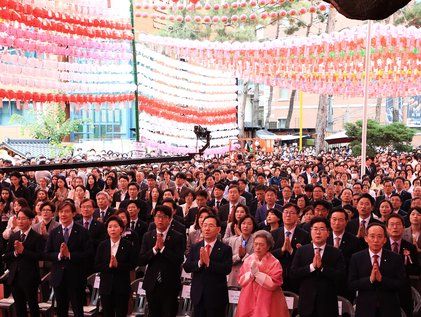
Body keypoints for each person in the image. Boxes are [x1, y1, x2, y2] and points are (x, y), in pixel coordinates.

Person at [44, 201, 93, 317]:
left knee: (77, 310)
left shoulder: (82, 231)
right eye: (61, 212)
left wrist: (70, 254)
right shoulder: (54, 232)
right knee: (61, 310)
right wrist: (60, 255)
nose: (63, 214)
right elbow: (46, 254)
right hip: (58, 277)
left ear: (74, 213)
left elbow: (89, 253)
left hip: (76, 277)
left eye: (66, 211)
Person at [290, 217, 346, 317]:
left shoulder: (336, 252)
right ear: (310, 232)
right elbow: (293, 273)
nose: (318, 232)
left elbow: (341, 276)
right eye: (315, 229)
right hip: (306, 303)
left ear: (328, 233)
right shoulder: (302, 251)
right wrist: (311, 267)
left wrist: (322, 268)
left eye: (322, 229)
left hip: (328, 304)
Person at [349, 223, 406, 317]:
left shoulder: (395, 258)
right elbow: (351, 284)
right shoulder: (357, 258)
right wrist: (370, 280)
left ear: (384, 240)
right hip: (365, 309)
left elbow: (401, 284)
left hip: (389, 308)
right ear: (366, 238)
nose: (376, 240)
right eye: (372, 236)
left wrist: (382, 279)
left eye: (379, 237)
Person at [139, 205, 185, 317]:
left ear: (169, 219)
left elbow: (178, 260)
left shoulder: (178, 236)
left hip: (170, 284)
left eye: (164, 217)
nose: (160, 220)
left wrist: (163, 249)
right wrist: (155, 249)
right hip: (152, 284)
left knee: (169, 313)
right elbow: (141, 260)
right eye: (158, 216)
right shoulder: (148, 235)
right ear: (154, 218)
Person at [184, 215, 233, 317]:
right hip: (198, 296)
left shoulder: (225, 249)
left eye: (211, 226)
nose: (207, 228)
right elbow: (187, 267)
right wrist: (199, 263)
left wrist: (209, 263)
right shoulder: (195, 247)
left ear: (218, 229)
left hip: (216, 297)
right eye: (204, 225)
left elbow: (227, 269)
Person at [235, 230, 289, 317]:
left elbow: (274, 284)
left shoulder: (274, 262)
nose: (258, 247)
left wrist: (258, 274)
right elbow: (241, 280)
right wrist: (250, 275)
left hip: (269, 299)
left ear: (268, 246)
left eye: (261, 244)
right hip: (249, 297)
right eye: (255, 244)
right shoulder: (248, 260)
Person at [4, 208, 44, 317]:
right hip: (15, 277)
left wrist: (23, 251)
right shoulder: (14, 236)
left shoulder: (37, 237)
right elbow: (6, 256)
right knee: (19, 307)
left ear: (30, 220)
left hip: (30, 278)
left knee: (33, 306)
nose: (20, 221)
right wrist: (16, 253)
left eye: (23, 219)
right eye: (18, 219)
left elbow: (40, 256)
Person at [95, 215, 136, 317]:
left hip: (122, 287)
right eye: (110, 227)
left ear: (121, 229)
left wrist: (118, 265)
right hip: (106, 287)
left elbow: (132, 265)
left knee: (121, 313)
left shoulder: (127, 245)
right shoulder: (102, 245)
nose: (112, 229)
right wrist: (108, 266)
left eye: (115, 226)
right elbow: (97, 265)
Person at [385, 214, 420, 317]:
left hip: (403, 290)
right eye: (392, 224)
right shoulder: (381, 246)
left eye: (398, 224)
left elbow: (416, 269)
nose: (395, 227)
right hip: (385, 290)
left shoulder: (410, 247)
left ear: (404, 228)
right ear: (387, 228)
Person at [272, 203, 311, 292]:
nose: (288, 215)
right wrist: (281, 250)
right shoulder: (274, 234)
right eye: (286, 212)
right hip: (276, 277)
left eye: (292, 213)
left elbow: (306, 259)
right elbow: (268, 255)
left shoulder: (305, 235)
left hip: (295, 279)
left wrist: (291, 251)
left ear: (298, 216)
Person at [226, 215, 257, 287]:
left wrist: (245, 255)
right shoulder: (232, 240)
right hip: (234, 277)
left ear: (253, 226)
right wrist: (239, 256)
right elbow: (228, 260)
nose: (245, 226)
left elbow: (256, 261)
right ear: (240, 226)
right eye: (243, 223)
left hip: (249, 277)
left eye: (249, 224)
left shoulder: (256, 241)